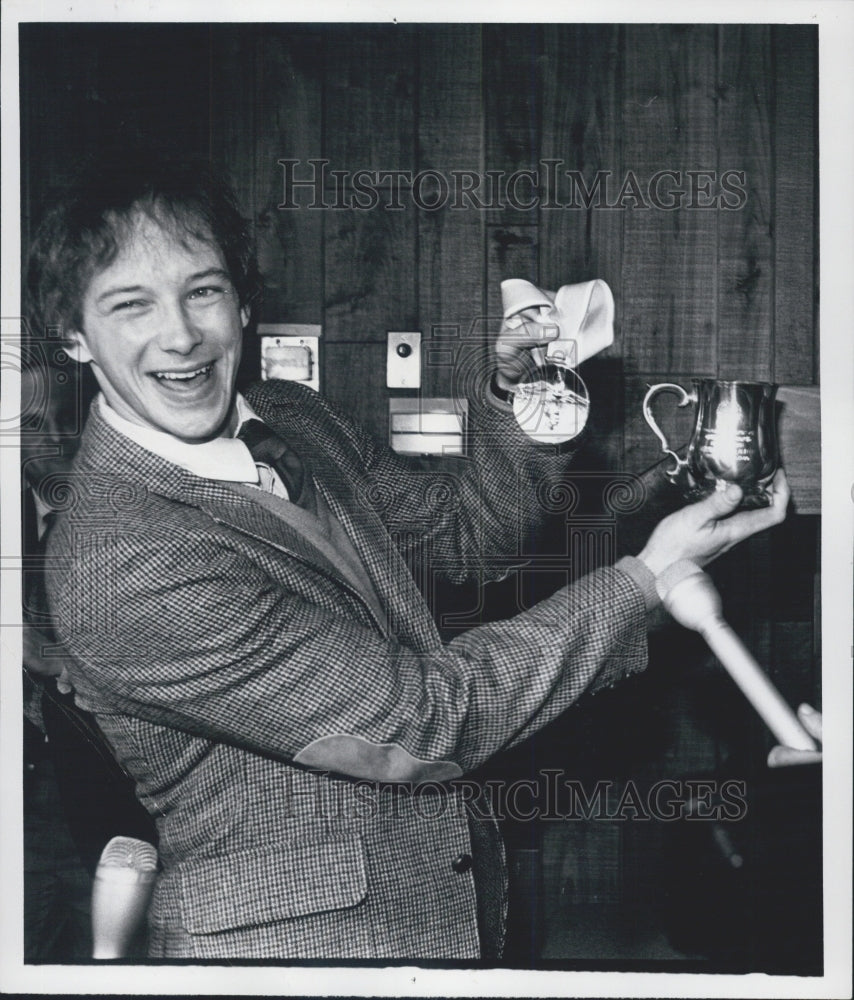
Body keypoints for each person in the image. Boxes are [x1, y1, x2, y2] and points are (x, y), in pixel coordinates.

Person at [27, 155, 790, 960]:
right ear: (75, 335)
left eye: (203, 290)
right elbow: (419, 723)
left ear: (243, 301)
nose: (181, 333)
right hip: (296, 957)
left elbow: (470, 535)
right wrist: (642, 583)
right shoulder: (119, 560)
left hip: (442, 921)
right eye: (130, 304)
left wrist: (525, 391)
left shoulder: (291, 415)